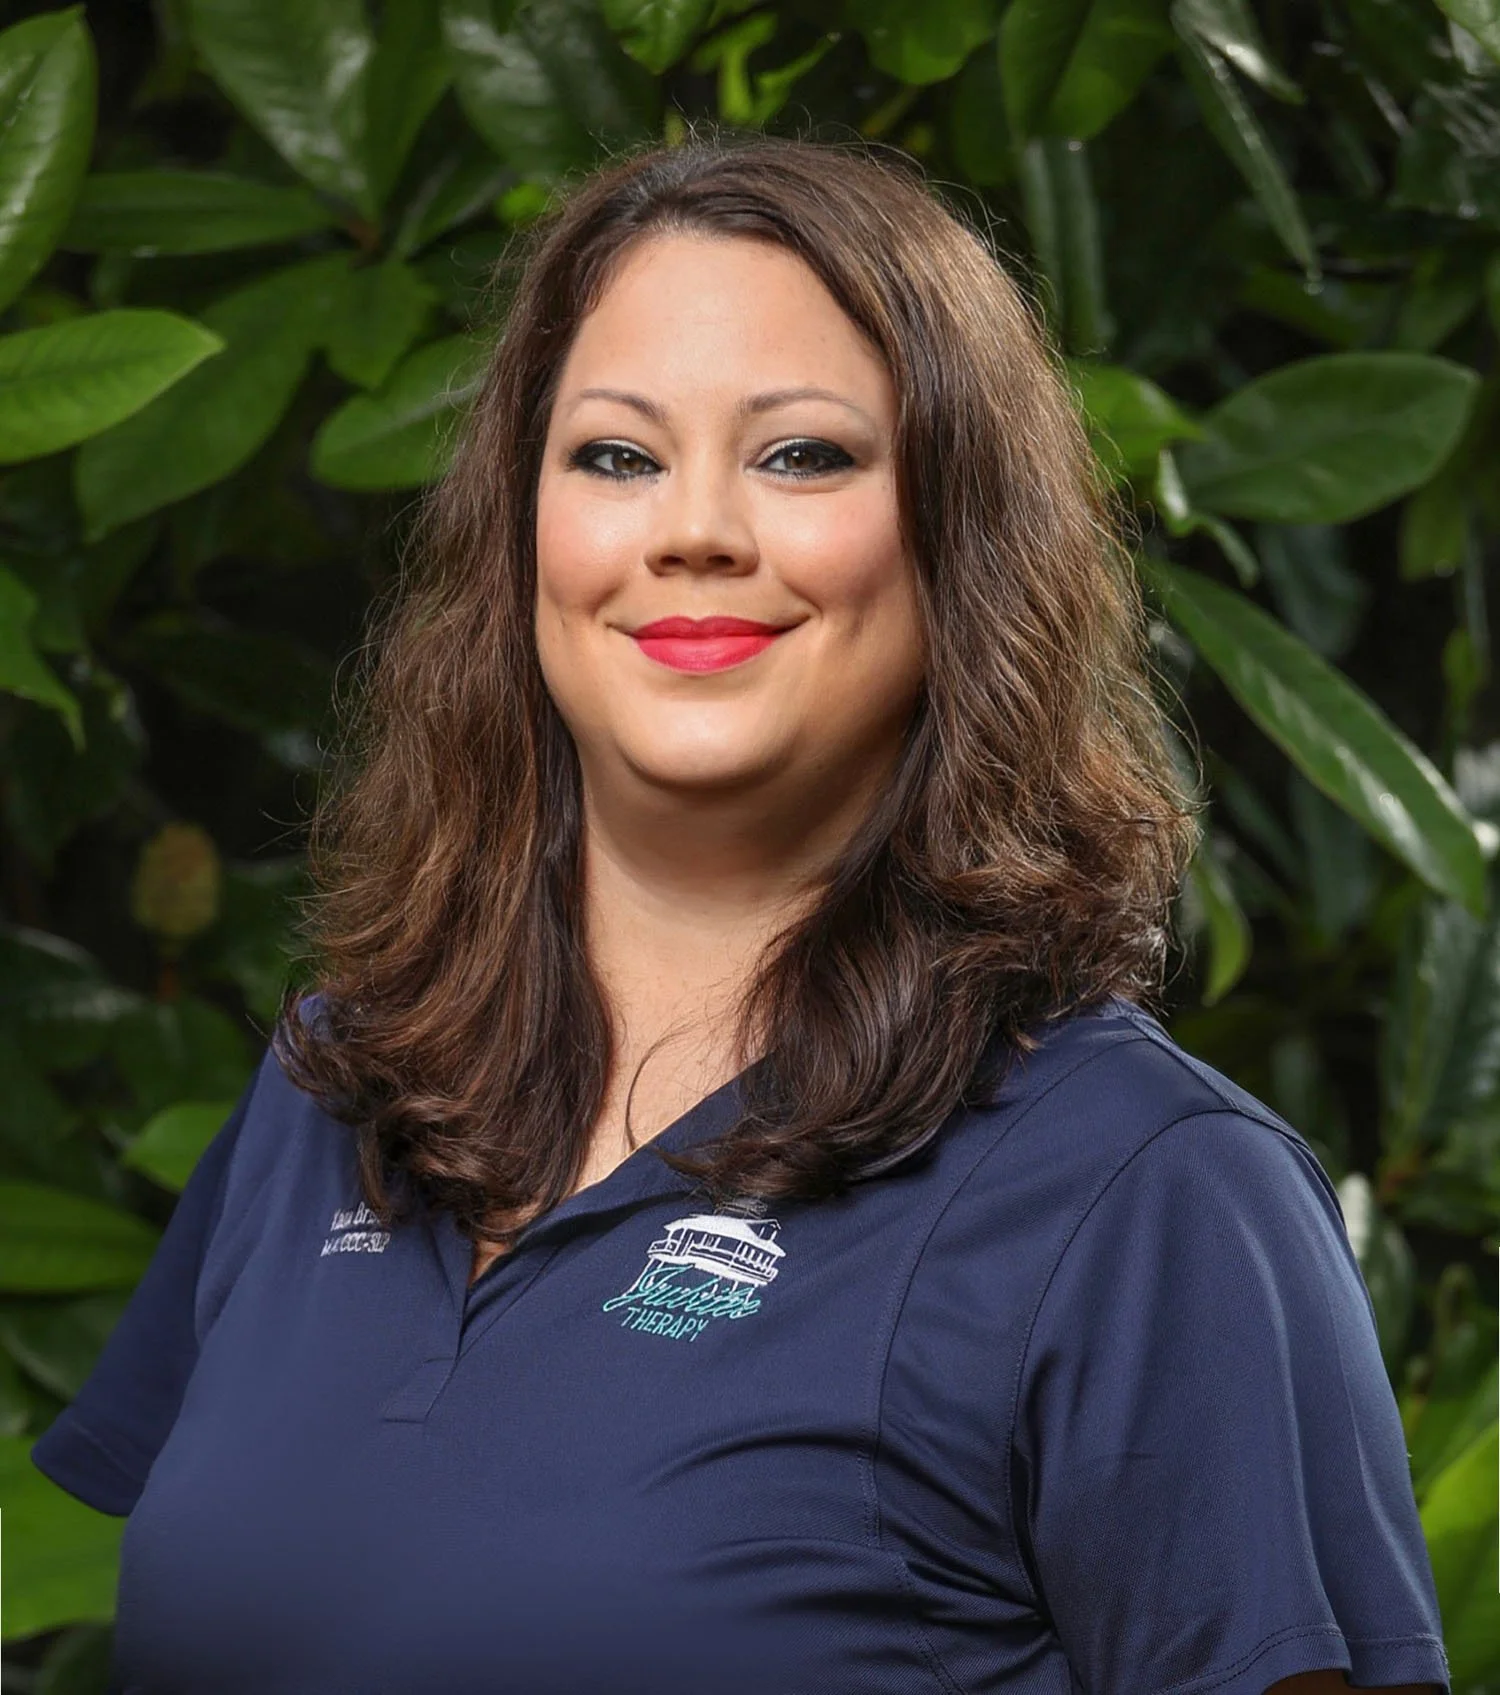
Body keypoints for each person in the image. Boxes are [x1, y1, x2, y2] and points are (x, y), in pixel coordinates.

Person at [32, 129, 1449, 1695]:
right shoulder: (336, 1079)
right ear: (520, 542)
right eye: (616, 455)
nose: (693, 527)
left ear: (959, 543)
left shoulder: (1148, 1193)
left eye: (803, 455)